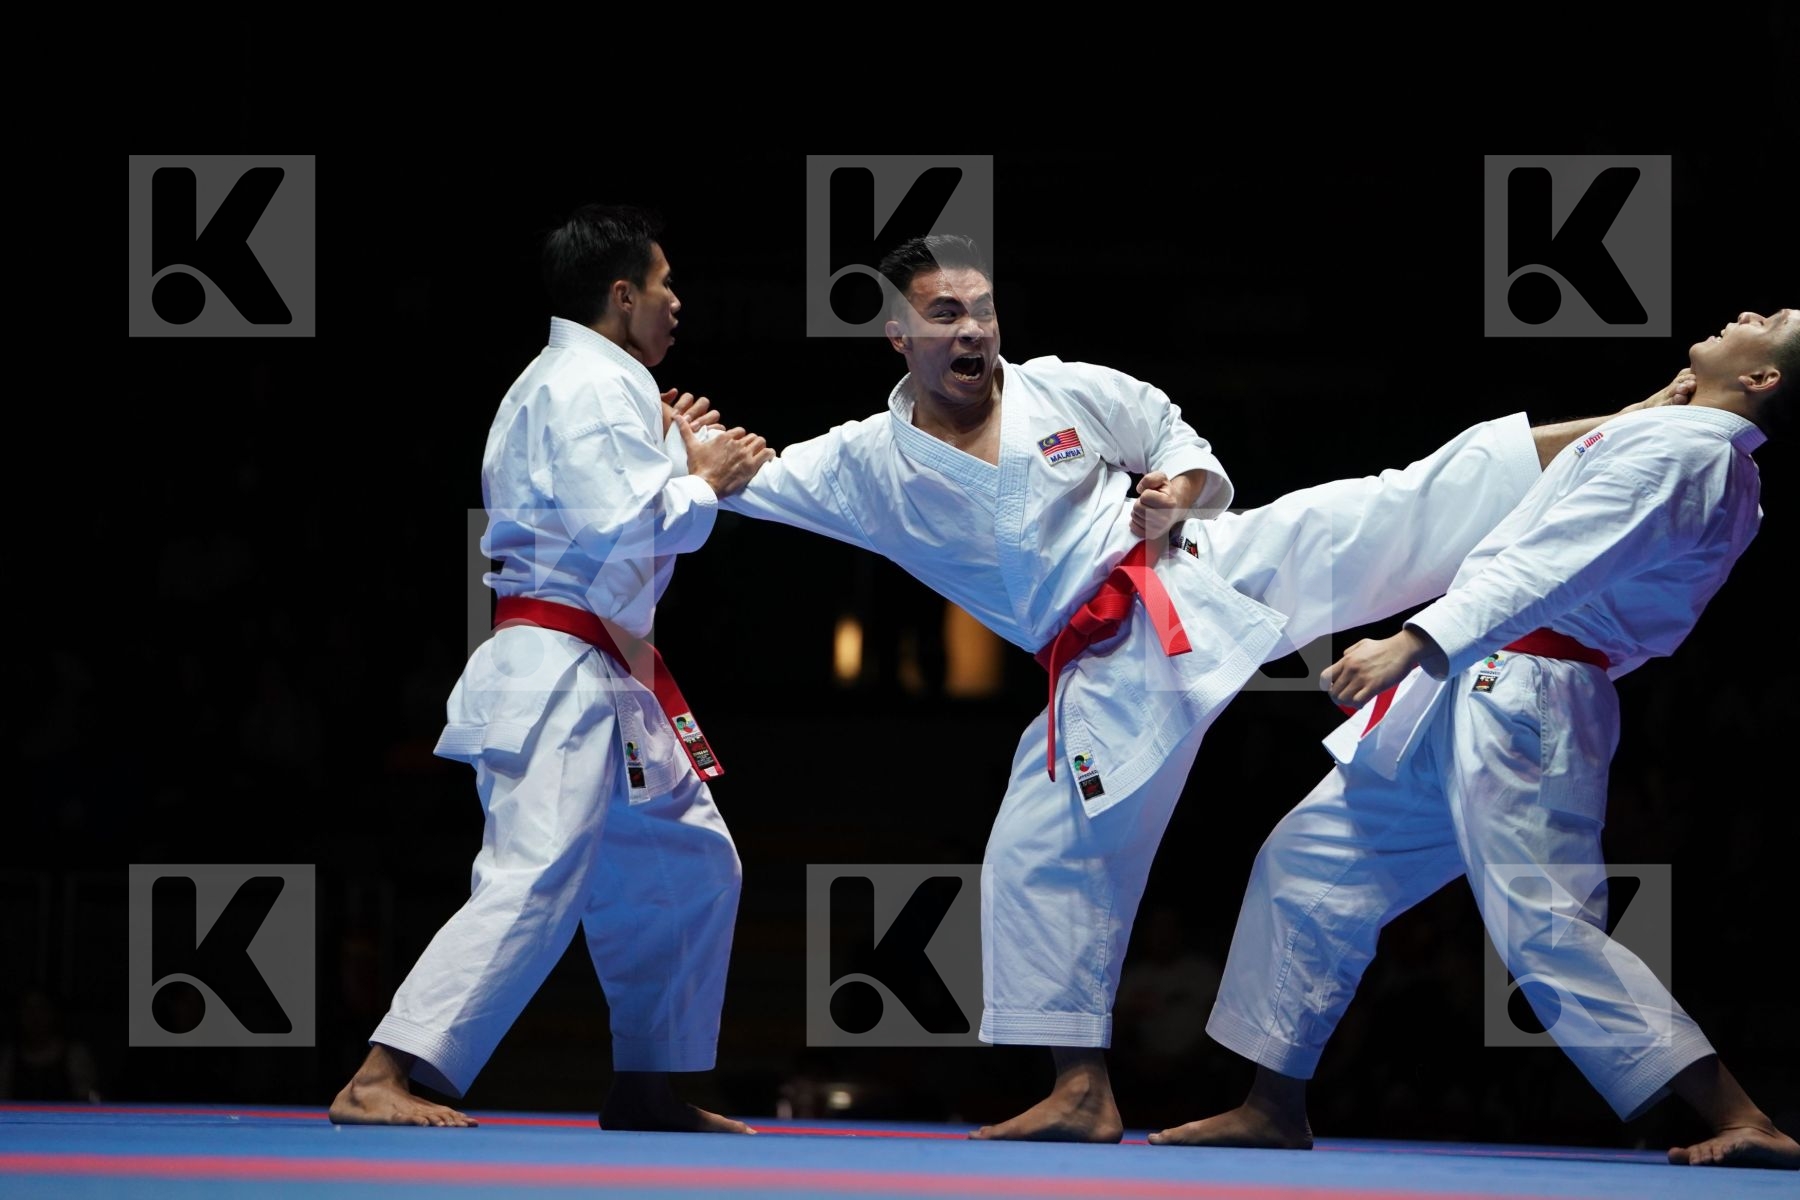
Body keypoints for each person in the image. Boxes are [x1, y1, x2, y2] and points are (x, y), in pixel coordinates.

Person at [720, 234, 1682, 1140]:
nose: (970, 330)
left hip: (1196, 567)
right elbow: (741, 485)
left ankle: (1625, 425)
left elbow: (1172, 434)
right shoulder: (862, 463)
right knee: (1037, 844)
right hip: (1105, 665)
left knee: (1394, 499)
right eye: (943, 313)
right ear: (899, 333)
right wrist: (685, 456)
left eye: (982, 309)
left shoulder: (1065, 388)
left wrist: (1178, 490)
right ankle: (1081, 1090)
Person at [1156, 310, 1800, 1170]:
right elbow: (1543, 515)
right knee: (1308, 866)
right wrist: (1648, 408)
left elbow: (1548, 565)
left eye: (1776, 321)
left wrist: (1410, 641)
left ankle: (1744, 1116)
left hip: (1522, 691)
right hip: (1482, 679)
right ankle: (1272, 1103)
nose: (1750, 314)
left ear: (1765, 380)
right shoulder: (1679, 443)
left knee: (1546, 925)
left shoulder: (1691, 456)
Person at [329, 204, 773, 1131]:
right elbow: (624, 528)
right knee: (534, 872)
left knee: (693, 863)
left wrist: (672, 457)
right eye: (663, 285)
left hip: (606, 670)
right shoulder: (583, 384)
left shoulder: (602, 386)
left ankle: (648, 1084)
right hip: (560, 669)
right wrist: (705, 480)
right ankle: (383, 1072)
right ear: (621, 295)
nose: (677, 302)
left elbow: (625, 535)